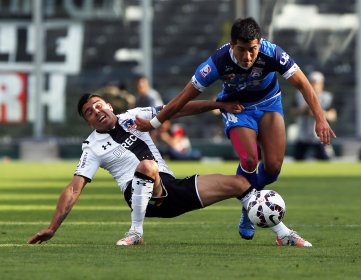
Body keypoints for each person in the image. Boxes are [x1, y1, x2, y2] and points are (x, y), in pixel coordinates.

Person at [135, 17, 336, 241]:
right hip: (237, 107)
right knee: (250, 160)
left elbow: (303, 83)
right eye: (242, 50)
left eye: (252, 50)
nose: (248, 56)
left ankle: (247, 205)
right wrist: (154, 123)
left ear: (260, 43)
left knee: (273, 168)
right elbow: (183, 97)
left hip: (269, 103)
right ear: (232, 45)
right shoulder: (217, 62)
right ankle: (249, 207)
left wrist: (320, 118)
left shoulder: (273, 53)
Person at [27, 94, 312, 247]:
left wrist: (218, 104)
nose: (96, 111)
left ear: (109, 105)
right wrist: (53, 227)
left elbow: (178, 109)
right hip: (142, 196)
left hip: (170, 190)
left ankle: (284, 234)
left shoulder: (134, 116)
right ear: (89, 121)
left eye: (98, 105)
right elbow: (74, 187)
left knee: (240, 184)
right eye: (89, 112)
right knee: (146, 166)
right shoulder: (92, 147)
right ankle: (135, 232)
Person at [292, 71, 337, 160]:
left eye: (316, 83)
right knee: (298, 161)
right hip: (303, 136)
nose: (314, 85)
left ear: (322, 84)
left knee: (327, 160)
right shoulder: (299, 96)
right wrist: (304, 109)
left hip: (320, 137)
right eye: (312, 82)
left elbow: (333, 116)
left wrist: (318, 113)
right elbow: (293, 111)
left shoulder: (327, 97)